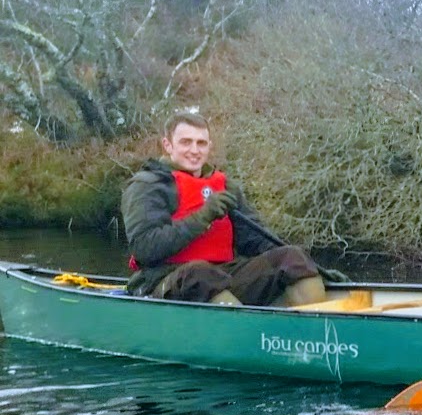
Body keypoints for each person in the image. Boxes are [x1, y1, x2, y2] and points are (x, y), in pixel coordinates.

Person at [122, 112, 341, 307]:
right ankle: (245, 330)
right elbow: (145, 248)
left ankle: (318, 325)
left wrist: (314, 269)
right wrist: (203, 217)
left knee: (292, 258)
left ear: (209, 146)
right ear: (168, 145)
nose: (194, 150)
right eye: (186, 142)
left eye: (201, 143)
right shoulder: (147, 185)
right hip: (165, 280)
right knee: (200, 274)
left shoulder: (225, 186)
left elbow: (256, 240)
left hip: (223, 274)